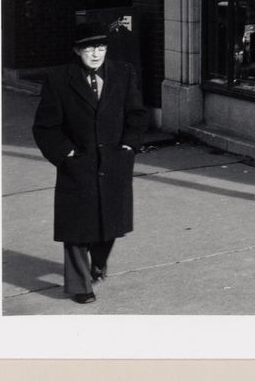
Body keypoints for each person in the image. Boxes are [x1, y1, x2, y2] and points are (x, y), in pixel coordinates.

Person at [32, 27, 148, 303]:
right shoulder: (59, 79)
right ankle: (79, 285)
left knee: (110, 225)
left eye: (101, 48)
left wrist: (129, 146)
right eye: (88, 48)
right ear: (76, 50)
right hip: (78, 164)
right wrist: (66, 154)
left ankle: (97, 263)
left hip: (114, 162)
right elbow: (45, 127)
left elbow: (137, 114)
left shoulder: (123, 73)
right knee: (76, 228)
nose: (96, 54)